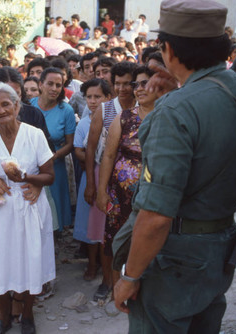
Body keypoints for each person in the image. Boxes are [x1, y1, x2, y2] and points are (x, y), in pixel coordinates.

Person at [113, 2, 236, 333]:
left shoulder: (174, 111)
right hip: (219, 243)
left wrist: (129, 276)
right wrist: (183, 90)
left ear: (168, 48)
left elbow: (155, 217)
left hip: (173, 259)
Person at [0, 82, 56, 334]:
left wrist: (26, 178)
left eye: (6, 104)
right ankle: (3, 318)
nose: (1, 110)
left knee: (30, 260)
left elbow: (49, 176)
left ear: (17, 105)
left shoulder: (34, 134)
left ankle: (27, 316)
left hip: (29, 205)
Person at [95, 65, 157, 301]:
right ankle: (111, 284)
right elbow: (108, 156)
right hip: (120, 196)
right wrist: (102, 191)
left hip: (154, 196)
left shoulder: (167, 117)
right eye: (136, 84)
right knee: (114, 238)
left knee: (149, 238)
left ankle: (143, 288)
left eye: (144, 83)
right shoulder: (124, 118)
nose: (139, 89)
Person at [72, 79, 112, 289]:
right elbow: (79, 149)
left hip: (111, 177)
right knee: (93, 224)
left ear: (108, 98)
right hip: (92, 176)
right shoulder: (85, 123)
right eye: (89, 97)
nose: (93, 101)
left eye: (98, 97)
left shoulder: (115, 118)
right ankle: (93, 263)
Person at [31, 67, 76, 231]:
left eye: (59, 85)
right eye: (50, 84)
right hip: (31, 166)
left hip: (55, 165)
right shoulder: (29, 106)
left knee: (54, 211)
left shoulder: (66, 110)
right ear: (41, 84)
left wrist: (52, 157)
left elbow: (70, 144)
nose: (54, 89)